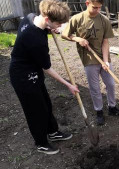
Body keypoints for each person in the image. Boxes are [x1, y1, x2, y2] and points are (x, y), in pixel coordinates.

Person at [9, 0, 79, 155]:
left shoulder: (31, 17)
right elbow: (47, 68)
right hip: (23, 76)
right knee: (35, 110)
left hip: (33, 70)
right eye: (58, 24)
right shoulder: (35, 40)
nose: (60, 27)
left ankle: (52, 132)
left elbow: (41, 28)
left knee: (45, 103)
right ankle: (41, 142)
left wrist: (49, 29)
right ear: (48, 19)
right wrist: (68, 84)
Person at [62, 0, 119, 126]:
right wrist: (77, 38)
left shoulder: (104, 20)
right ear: (87, 3)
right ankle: (99, 111)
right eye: (94, 7)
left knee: (111, 84)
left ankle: (112, 107)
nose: (97, 10)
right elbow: (64, 34)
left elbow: (105, 42)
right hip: (88, 59)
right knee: (95, 88)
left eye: (99, 7)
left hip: (103, 57)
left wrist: (106, 61)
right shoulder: (77, 19)